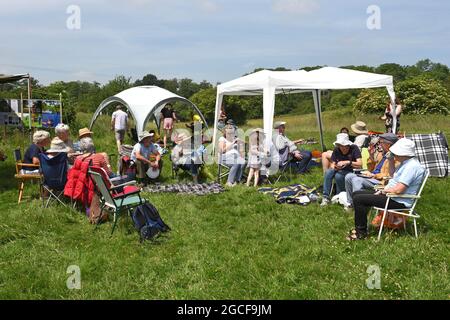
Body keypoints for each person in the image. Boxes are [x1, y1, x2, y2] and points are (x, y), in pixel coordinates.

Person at [347, 138, 425, 240]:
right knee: (357, 194)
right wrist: (391, 160)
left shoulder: (412, 167)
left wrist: (382, 191)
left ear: (404, 153)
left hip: (398, 200)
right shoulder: (406, 163)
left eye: (396, 153)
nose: (395, 154)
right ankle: (361, 227)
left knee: (359, 199)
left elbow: (399, 190)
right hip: (392, 196)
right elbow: (393, 176)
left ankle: (361, 233)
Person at [344, 133, 399, 210]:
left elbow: (390, 174)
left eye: (381, 142)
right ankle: (351, 203)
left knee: (356, 180)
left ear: (388, 144)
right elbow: (371, 169)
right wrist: (370, 155)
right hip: (372, 178)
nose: (379, 144)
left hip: (381, 181)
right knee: (348, 176)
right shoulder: (381, 154)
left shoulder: (396, 158)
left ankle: (359, 206)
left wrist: (374, 175)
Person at [320, 133, 362, 207]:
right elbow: (333, 163)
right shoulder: (336, 149)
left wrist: (348, 162)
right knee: (329, 172)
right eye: (340, 145)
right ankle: (325, 197)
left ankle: (340, 195)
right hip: (340, 169)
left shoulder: (354, 148)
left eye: (344, 145)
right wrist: (336, 166)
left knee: (338, 176)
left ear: (348, 144)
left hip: (352, 170)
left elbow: (360, 164)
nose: (342, 147)